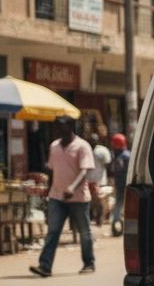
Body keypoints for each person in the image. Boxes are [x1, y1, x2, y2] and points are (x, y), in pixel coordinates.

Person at [31, 116, 96, 277]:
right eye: (57, 127)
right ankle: (45, 266)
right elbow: (52, 170)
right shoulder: (54, 146)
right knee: (53, 231)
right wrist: (47, 190)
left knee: (84, 232)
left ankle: (89, 263)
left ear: (70, 127)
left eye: (62, 126)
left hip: (78, 198)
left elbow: (84, 170)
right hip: (57, 197)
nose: (58, 130)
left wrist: (72, 187)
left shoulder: (82, 146)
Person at [109, 133, 131, 234]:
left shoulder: (123, 157)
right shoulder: (124, 155)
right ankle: (117, 223)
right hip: (123, 185)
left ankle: (116, 222)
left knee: (120, 205)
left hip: (124, 186)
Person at [88, 134, 111, 227]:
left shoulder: (102, 150)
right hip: (88, 179)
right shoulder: (86, 149)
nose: (92, 142)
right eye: (91, 141)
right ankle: (89, 218)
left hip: (99, 180)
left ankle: (99, 219)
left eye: (94, 140)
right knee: (88, 200)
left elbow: (108, 162)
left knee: (99, 201)